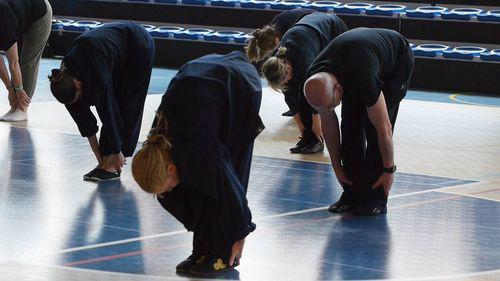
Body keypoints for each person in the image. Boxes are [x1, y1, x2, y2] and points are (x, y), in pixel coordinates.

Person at [132, 51, 264, 275]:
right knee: (185, 187)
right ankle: (203, 249)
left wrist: (240, 234)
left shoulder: (199, 145)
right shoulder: (158, 145)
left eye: (168, 184)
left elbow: (231, 189)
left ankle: (222, 254)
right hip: (199, 83)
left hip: (239, 84)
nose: (168, 191)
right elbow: (179, 192)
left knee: (222, 178)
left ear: (171, 167)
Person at [304, 28, 414, 215]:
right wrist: (337, 167)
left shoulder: (363, 76)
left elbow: (383, 128)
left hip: (395, 62)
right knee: (349, 128)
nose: (329, 110)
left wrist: (389, 171)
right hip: (357, 61)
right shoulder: (316, 82)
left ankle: (378, 197)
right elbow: (330, 128)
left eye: (331, 105)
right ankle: (351, 194)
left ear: (338, 89)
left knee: (373, 128)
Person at [48, 22, 155, 181]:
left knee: (126, 102)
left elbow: (108, 112)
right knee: (93, 106)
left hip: (137, 45)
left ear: (78, 84)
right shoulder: (63, 81)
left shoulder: (97, 74)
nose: (78, 103)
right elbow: (85, 124)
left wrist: (118, 150)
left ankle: (115, 163)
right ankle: (107, 162)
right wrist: (100, 161)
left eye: (78, 97)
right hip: (111, 54)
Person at [262, 13, 347, 154]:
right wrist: (301, 127)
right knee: (297, 91)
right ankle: (308, 139)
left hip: (333, 31)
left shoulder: (303, 59)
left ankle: (317, 141)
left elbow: (315, 96)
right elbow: (290, 96)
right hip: (309, 31)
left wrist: (316, 123)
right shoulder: (278, 63)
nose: (287, 82)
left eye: (286, 79)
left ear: (288, 68)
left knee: (309, 91)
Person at [0, 0, 52, 122]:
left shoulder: (3, 22)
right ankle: (14, 106)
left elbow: (13, 63)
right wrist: (10, 89)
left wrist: (18, 90)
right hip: (21, 13)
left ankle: (22, 109)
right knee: (18, 62)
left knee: (28, 61)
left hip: (40, 12)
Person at [245, 8, 316, 63]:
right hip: (307, 18)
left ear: (276, 41)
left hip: (315, 21)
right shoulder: (269, 30)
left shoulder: (290, 32)